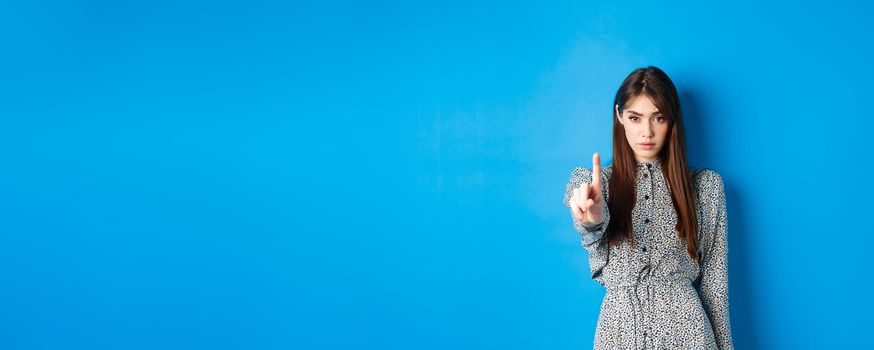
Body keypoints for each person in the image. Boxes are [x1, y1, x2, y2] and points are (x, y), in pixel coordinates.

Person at [562, 66, 733, 349]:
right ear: (620, 116)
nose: (647, 132)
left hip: (689, 333)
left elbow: (715, 287)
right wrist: (592, 220)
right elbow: (588, 223)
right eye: (635, 118)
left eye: (658, 118)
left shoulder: (706, 187)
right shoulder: (595, 185)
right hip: (619, 333)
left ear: (672, 121)